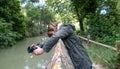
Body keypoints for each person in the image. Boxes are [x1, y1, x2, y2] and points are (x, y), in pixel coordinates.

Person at [28, 22, 92, 69]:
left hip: (83, 62)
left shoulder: (66, 27)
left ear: (54, 28)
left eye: (53, 33)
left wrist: (42, 50)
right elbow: (52, 38)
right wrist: (39, 45)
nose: (54, 34)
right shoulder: (63, 31)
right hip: (78, 61)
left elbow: (56, 36)